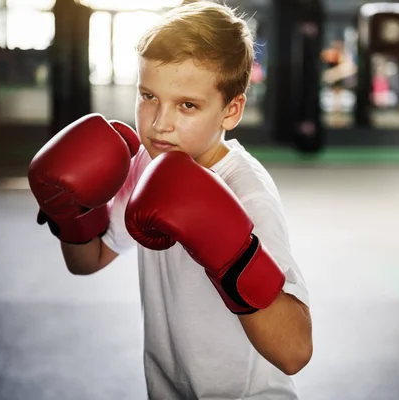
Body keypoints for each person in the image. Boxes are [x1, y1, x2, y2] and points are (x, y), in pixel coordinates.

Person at [27, 1, 313, 399]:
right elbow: (86, 261)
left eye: (187, 105)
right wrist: (70, 213)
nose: (161, 123)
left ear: (231, 111)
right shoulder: (145, 164)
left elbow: (294, 351)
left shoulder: (246, 191)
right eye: (148, 96)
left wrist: (230, 253)